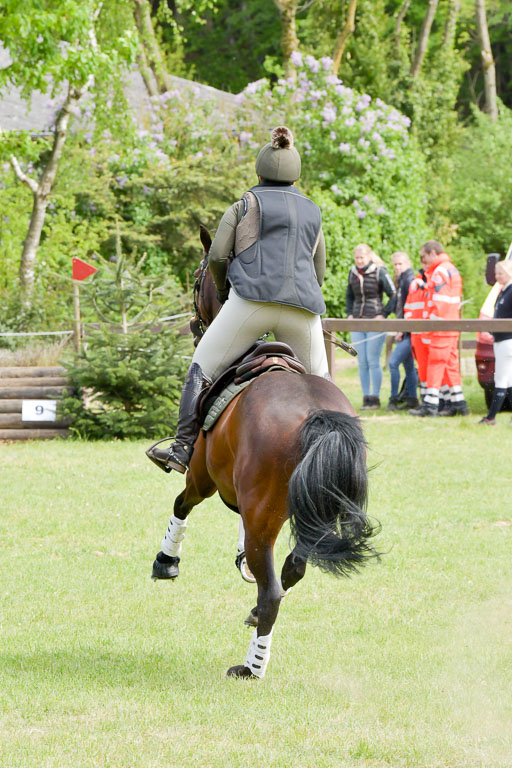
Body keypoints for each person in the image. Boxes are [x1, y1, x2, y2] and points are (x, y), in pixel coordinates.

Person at [146, 126, 330, 578]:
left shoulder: (245, 203)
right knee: (324, 394)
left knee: (201, 366)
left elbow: (217, 256)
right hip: (303, 311)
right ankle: (337, 462)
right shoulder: (313, 210)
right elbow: (320, 267)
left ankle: (183, 447)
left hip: (250, 304)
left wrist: (232, 290)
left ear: (262, 167)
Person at [409, 240, 468, 417]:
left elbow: (439, 302)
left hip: (440, 326)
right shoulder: (451, 268)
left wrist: (431, 323)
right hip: (450, 323)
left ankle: (430, 405)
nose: (422, 259)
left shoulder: (439, 272)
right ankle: (459, 403)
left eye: (423, 255)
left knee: (435, 363)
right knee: (450, 364)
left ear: (432, 253)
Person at [346, 243, 396, 409]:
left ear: (369, 256)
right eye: (357, 258)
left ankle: (375, 397)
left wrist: (384, 313)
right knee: (362, 361)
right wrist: (350, 314)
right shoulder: (352, 273)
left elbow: (394, 295)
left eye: (362, 257)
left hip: (375, 320)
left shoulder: (380, 272)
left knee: (373, 360)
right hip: (358, 322)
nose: (359, 261)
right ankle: (366, 397)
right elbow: (349, 296)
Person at [479, 259, 512, 424]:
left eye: (500, 273)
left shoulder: (511, 291)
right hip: (500, 338)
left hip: (507, 339)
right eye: (496, 273)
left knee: (501, 379)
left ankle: (491, 417)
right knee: (509, 379)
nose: (497, 276)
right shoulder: (503, 291)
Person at [386, 251, 419, 410]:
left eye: (400, 264)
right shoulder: (401, 279)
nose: (397, 267)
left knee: (393, 363)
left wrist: (402, 330)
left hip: (408, 331)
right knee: (409, 367)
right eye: (395, 264)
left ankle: (393, 398)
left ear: (407, 263)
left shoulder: (409, 280)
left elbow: (409, 308)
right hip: (404, 329)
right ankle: (412, 398)